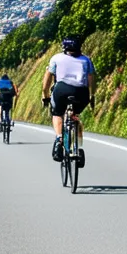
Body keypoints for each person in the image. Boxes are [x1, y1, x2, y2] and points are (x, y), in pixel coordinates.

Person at [42, 37, 95, 166]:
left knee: (57, 113)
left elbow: (47, 79)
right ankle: (76, 142)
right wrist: (92, 95)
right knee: (76, 111)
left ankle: (59, 138)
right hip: (81, 93)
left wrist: (45, 94)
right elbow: (91, 79)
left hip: (61, 90)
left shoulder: (56, 58)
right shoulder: (86, 60)